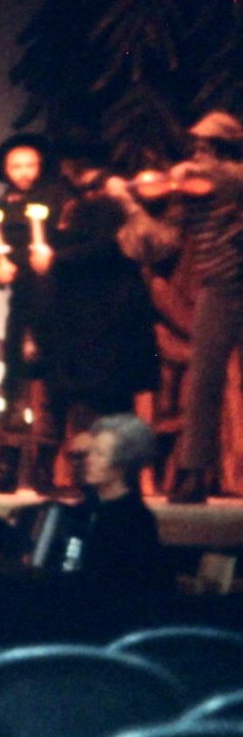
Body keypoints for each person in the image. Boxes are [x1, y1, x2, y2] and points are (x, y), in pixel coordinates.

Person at [118, 113, 243, 503]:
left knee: (209, 382)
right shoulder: (192, 190)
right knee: (204, 381)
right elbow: (163, 237)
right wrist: (132, 203)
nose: (200, 151)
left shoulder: (228, 176)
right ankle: (194, 473)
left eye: (208, 144)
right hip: (218, 287)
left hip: (234, 281)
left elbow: (197, 180)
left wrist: (136, 187)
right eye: (199, 144)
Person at [35, 143, 158, 450]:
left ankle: (107, 465)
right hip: (89, 326)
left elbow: (105, 248)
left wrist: (55, 260)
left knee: (102, 404)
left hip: (104, 325)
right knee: (97, 404)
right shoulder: (76, 205)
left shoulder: (110, 208)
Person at [0, 132, 68, 492]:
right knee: (15, 382)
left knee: (50, 384)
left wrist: (53, 259)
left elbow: (67, 243)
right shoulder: (2, 205)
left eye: (29, 164)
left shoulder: (59, 198)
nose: (23, 172)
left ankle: (44, 468)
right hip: (22, 301)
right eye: (16, 166)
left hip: (57, 301)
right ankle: (7, 468)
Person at [36, 414, 166, 594]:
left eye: (100, 454)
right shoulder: (84, 510)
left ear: (123, 465)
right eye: (90, 453)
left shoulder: (135, 521)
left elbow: (119, 588)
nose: (89, 460)